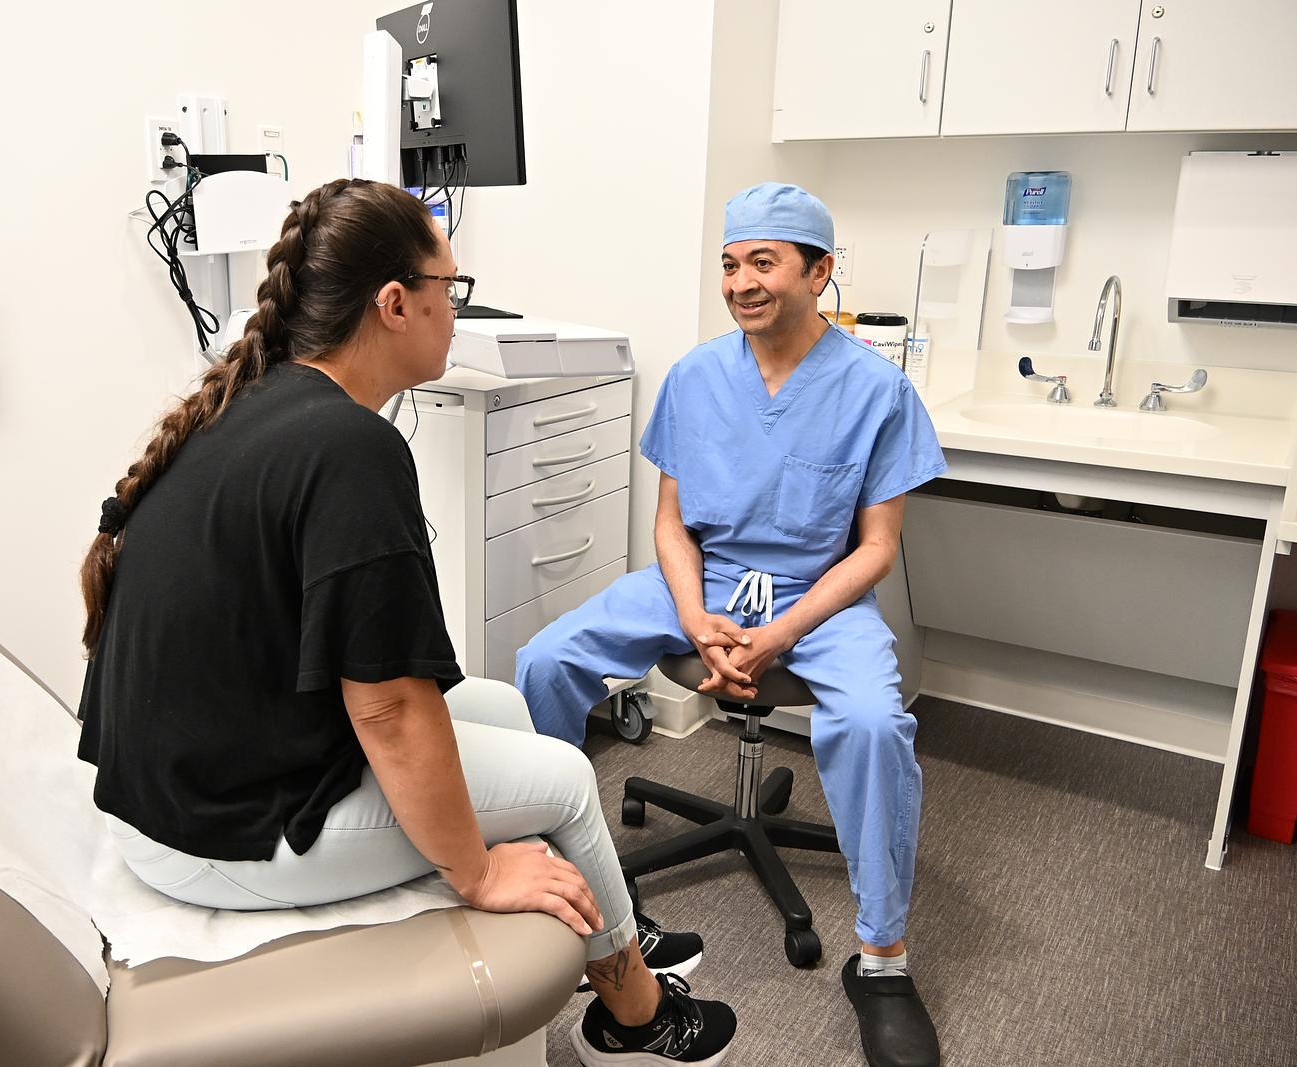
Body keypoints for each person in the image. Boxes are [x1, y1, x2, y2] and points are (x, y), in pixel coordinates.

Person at [74, 178, 737, 1066]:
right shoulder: (351, 448)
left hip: (191, 775)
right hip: (212, 833)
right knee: (568, 779)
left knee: (499, 705)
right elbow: (386, 710)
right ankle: (635, 1017)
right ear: (395, 303)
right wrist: (479, 869)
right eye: (449, 291)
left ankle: (605, 922)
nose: (457, 311)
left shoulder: (261, 402)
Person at [515, 182, 946, 1067]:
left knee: (873, 723)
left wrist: (780, 632)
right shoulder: (698, 375)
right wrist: (693, 614)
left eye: (763, 262)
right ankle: (556, 884)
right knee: (544, 660)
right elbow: (671, 523)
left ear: (819, 272)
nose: (741, 282)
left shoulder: (876, 389)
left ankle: (883, 960)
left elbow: (875, 550)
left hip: (817, 596)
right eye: (730, 263)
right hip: (701, 581)